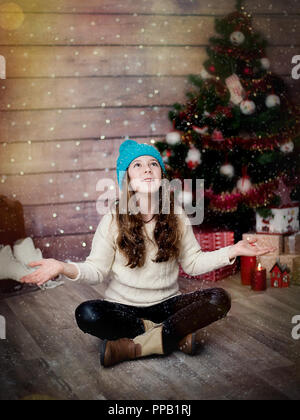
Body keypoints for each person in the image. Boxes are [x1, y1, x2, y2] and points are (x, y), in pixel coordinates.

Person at [20, 139, 277, 368]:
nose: (147, 169)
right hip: (125, 308)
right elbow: (96, 270)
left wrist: (234, 250)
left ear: (162, 176)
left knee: (218, 299)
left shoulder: (175, 215)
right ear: (127, 179)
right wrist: (62, 266)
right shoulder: (112, 219)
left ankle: (135, 346)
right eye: (138, 165)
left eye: (153, 164)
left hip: (168, 305)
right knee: (87, 314)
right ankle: (172, 336)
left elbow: (194, 263)